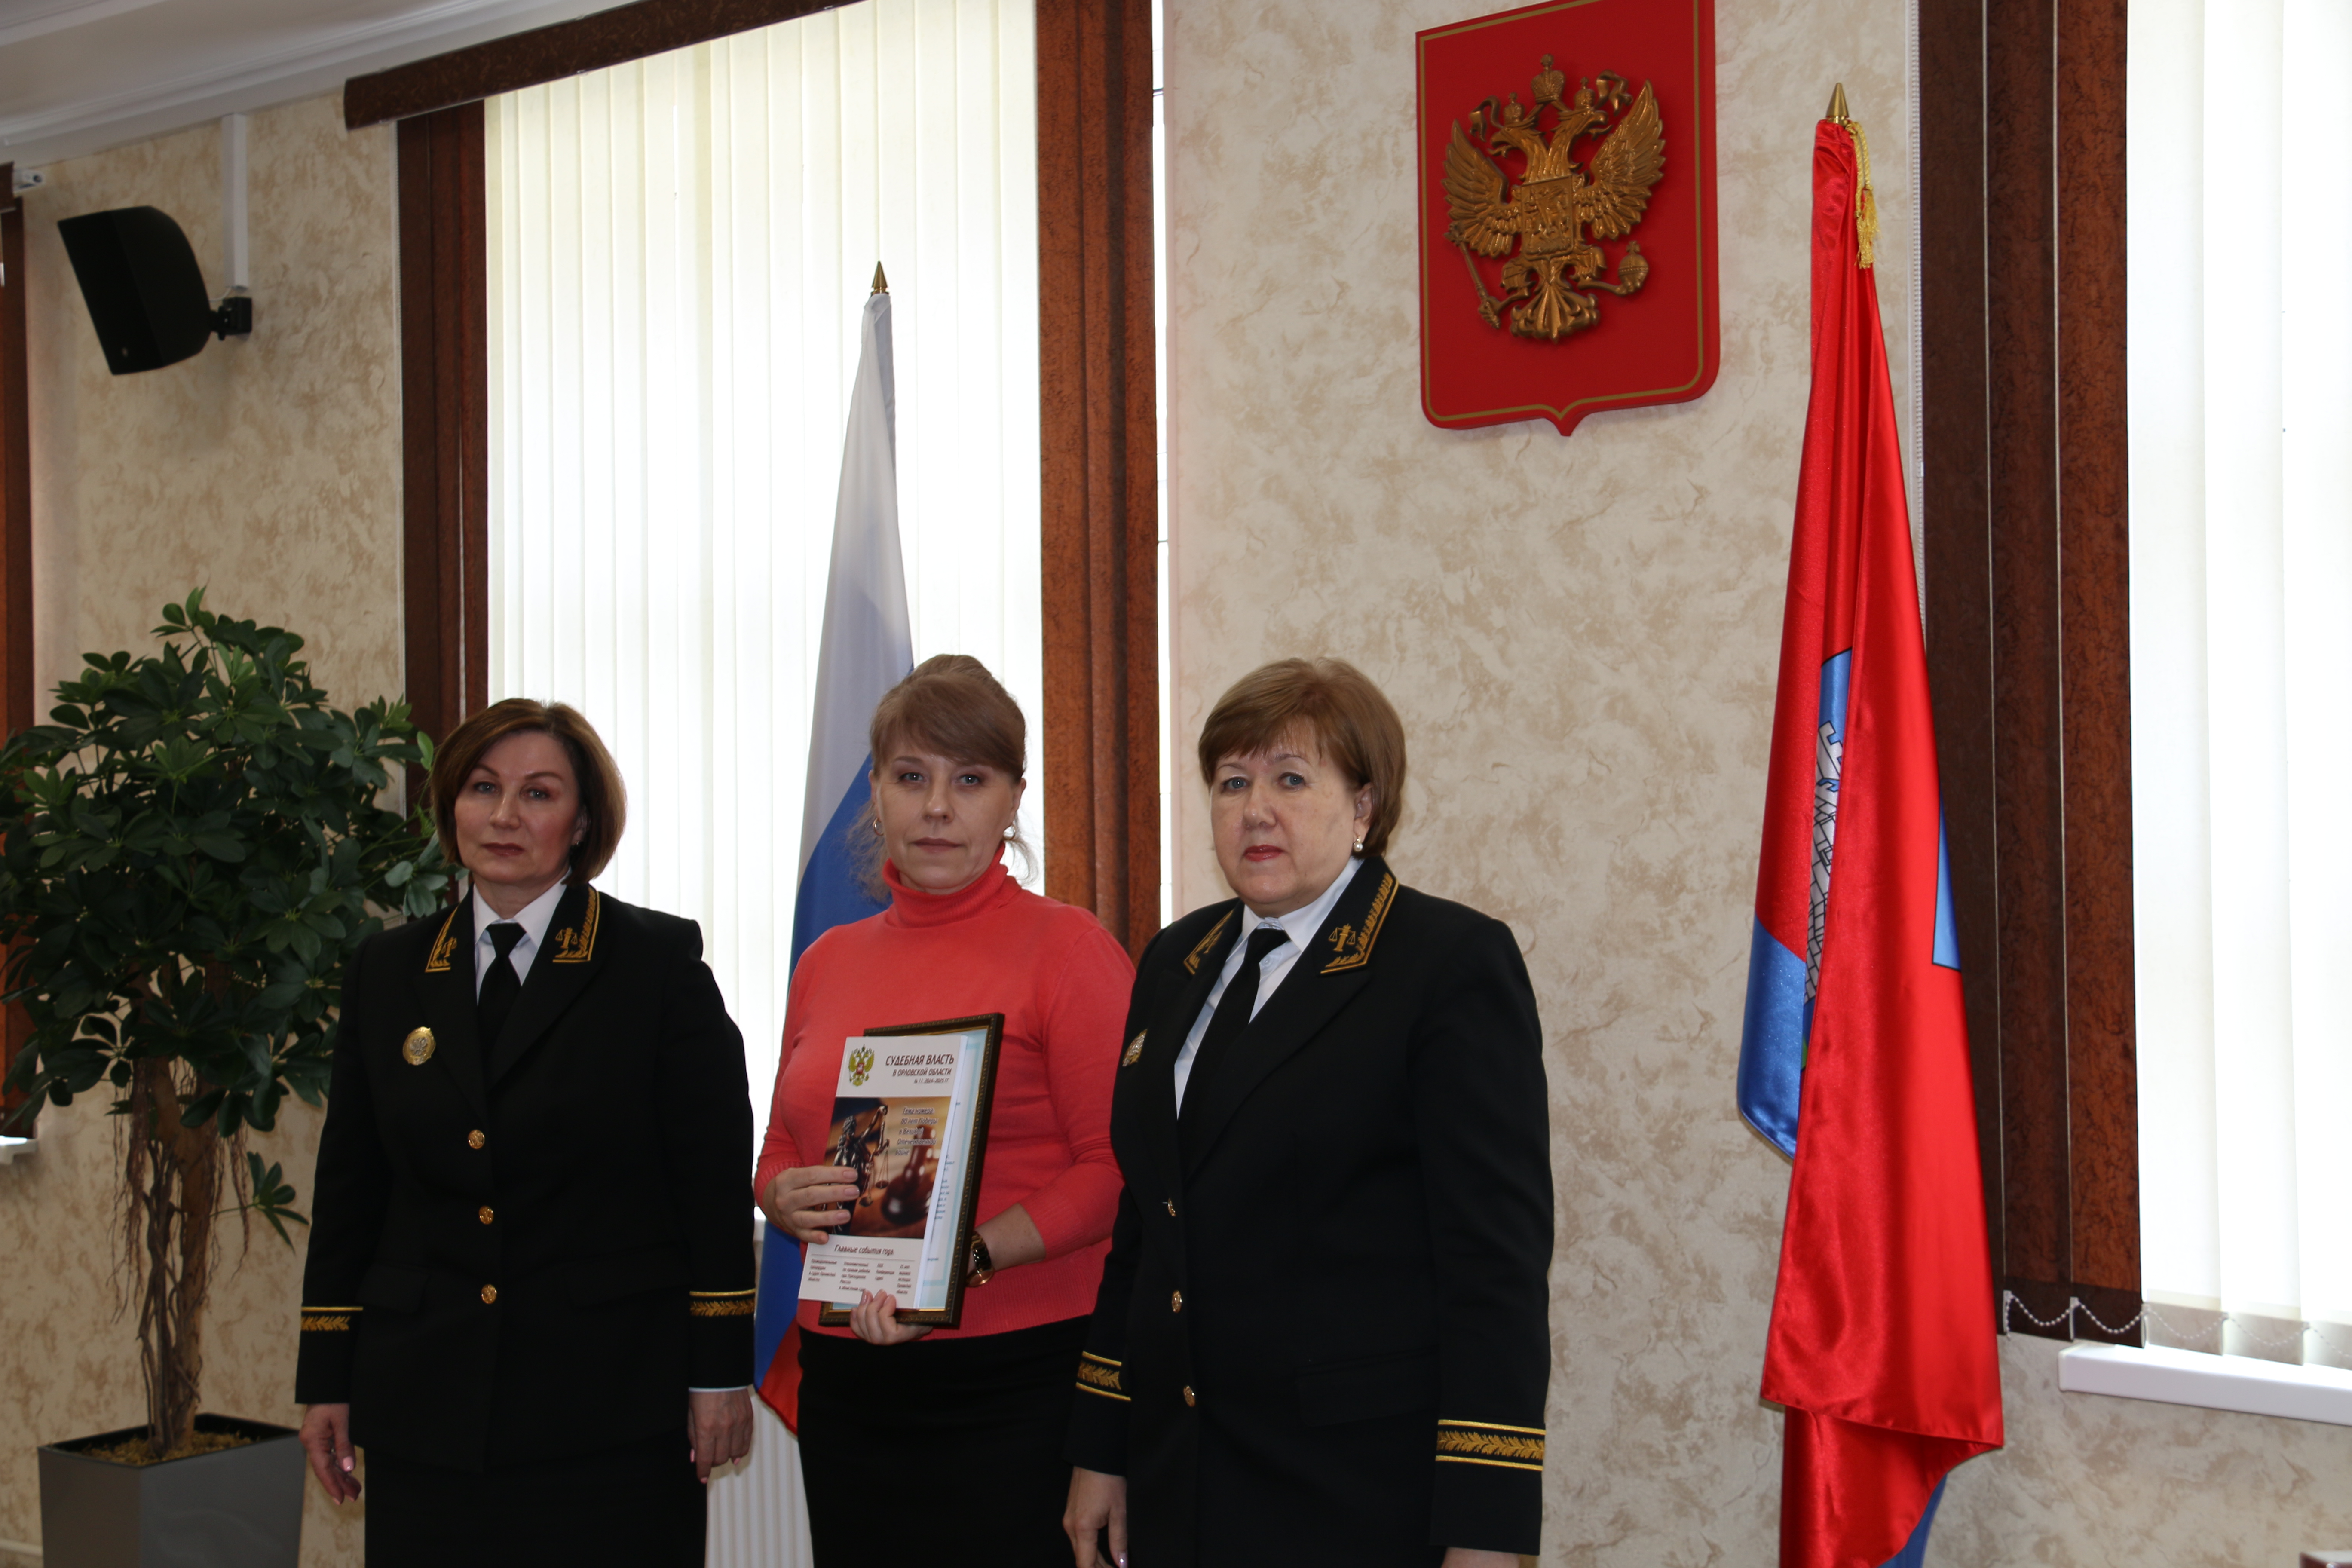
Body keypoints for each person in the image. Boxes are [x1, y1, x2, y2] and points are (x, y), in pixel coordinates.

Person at [1064, 657, 1552, 1568]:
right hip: (1179, 1474)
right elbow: (1146, 1230)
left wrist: (1486, 1529)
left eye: (1291, 780)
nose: (1256, 810)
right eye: (1232, 782)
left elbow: (1495, 1268)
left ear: (1364, 805)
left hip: (1354, 1488)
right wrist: (1103, 1446)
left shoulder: (1445, 963)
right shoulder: (1175, 962)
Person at [295, 699, 756, 1567]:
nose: (505, 815)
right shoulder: (388, 970)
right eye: (483, 789)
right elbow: (351, 1187)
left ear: (581, 823)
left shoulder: (654, 963)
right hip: (428, 1405)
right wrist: (328, 1377)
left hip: (608, 1406)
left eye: (538, 794)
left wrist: (720, 1371)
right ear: (451, 809)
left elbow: (713, 1182)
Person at [757, 655, 1136, 1567]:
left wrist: (965, 1259)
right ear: (875, 794)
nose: (936, 807)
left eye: (970, 780)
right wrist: (779, 1197)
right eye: (910, 777)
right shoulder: (827, 961)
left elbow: (1116, 1171)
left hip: (1018, 1381)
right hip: (850, 1379)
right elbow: (779, 1147)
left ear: (1013, 801)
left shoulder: (1070, 950)